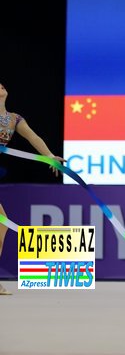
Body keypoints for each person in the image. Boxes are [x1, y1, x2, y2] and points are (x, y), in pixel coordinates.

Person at [0, 82, 65, 296]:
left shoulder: (14, 119)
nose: (1, 86)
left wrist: (49, 156)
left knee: (2, 226)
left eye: (2, 85)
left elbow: (33, 137)